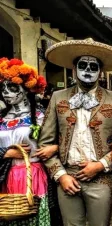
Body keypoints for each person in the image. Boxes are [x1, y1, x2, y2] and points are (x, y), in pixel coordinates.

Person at [38, 38, 112, 226]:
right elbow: (44, 143)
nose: (87, 70)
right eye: (83, 65)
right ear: (74, 70)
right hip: (67, 176)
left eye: (93, 67)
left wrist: (100, 165)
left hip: (101, 179)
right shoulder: (57, 97)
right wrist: (60, 176)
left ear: (101, 72)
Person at [0, 58, 62, 225]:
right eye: (3, 88)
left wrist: (54, 148)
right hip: (5, 176)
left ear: (26, 89)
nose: (6, 92)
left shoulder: (41, 115)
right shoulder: (0, 118)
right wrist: (7, 153)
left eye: (12, 88)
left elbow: (64, 139)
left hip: (34, 174)